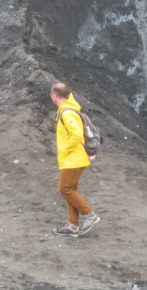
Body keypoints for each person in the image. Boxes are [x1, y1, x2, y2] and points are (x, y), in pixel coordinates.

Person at [50, 82, 100, 236]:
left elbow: (76, 134)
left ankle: (90, 215)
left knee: (64, 188)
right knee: (70, 190)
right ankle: (73, 225)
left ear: (55, 96)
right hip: (75, 158)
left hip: (74, 159)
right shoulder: (69, 109)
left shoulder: (66, 113)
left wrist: (64, 150)